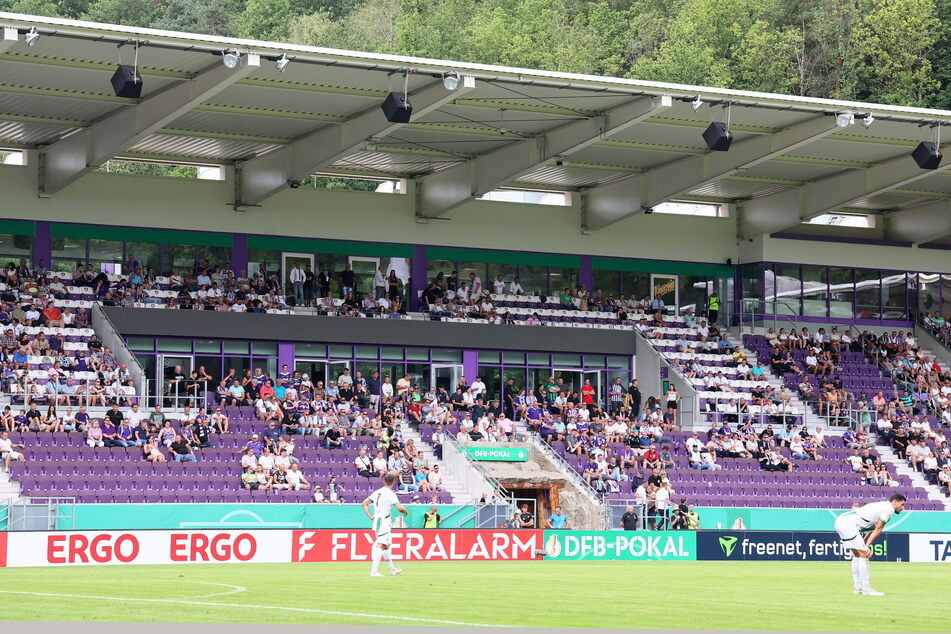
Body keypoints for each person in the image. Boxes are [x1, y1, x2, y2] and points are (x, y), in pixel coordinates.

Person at [833, 494, 906, 596]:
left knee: (856, 554)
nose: (903, 508)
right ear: (895, 502)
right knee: (864, 555)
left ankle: (858, 588)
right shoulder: (889, 509)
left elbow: (870, 529)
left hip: (841, 520)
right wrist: (866, 547)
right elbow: (878, 529)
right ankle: (866, 589)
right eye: (902, 505)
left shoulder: (881, 506)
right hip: (848, 524)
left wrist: (864, 544)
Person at [362, 471, 408, 577]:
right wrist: (406, 512)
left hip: (378, 520)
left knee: (386, 545)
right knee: (381, 545)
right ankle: (374, 572)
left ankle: (392, 569)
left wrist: (370, 516)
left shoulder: (377, 492)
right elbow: (400, 508)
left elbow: (364, 503)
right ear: (393, 483)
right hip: (384, 521)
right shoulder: (390, 494)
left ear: (384, 481)